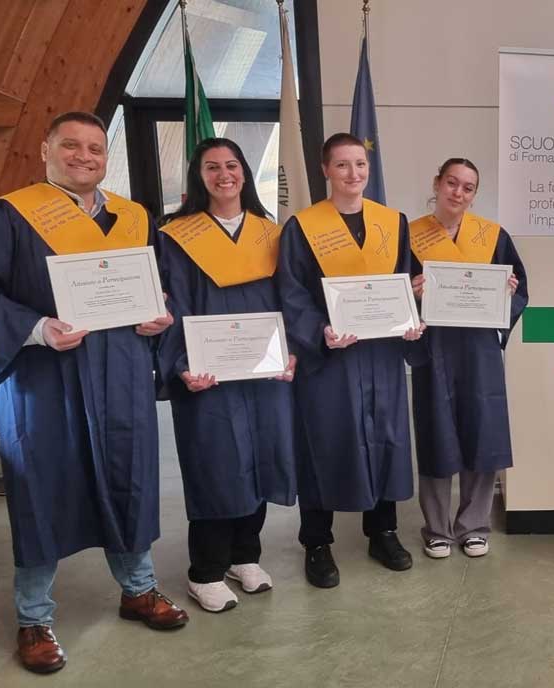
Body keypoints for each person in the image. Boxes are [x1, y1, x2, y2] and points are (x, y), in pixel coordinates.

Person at [0, 111, 188, 674]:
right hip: (44, 377)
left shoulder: (133, 218)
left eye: (95, 148)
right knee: (43, 488)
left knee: (129, 477)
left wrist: (160, 316)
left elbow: (156, 289)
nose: (84, 156)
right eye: (71, 146)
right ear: (45, 150)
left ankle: (138, 588)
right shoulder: (6, 215)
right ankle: (34, 616)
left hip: (122, 372)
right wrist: (38, 328)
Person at [157, 138, 297, 612]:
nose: (224, 175)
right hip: (208, 373)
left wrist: (290, 353)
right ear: (198, 176)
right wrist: (181, 365)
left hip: (262, 370)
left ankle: (244, 556)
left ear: (244, 173)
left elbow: (291, 300)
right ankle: (205, 571)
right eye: (212, 167)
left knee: (262, 455)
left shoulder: (270, 233)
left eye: (232, 165)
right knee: (215, 463)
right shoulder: (177, 237)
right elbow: (171, 305)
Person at [277, 133, 423, 587]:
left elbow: (405, 279)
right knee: (323, 441)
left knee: (386, 437)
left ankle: (383, 532)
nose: (352, 173)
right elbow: (291, 292)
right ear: (326, 170)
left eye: (359, 164)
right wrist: (320, 331)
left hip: (380, 353)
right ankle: (317, 542)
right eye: (341, 165)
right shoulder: (302, 227)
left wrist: (411, 315)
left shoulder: (393, 223)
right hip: (331, 357)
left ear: (368, 168)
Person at [407, 158, 527, 559]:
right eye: (451, 183)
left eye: (468, 187)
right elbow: (395, 292)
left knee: (482, 430)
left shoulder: (492, 236)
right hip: (434, 348)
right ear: (437, 184)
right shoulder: (409, 236)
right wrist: (411, 292)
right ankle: (436, 528)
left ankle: (474, 525)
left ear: (475, 194)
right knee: (436, 433)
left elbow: (519, 290)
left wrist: (507, 294)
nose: (458, 193)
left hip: (479, 350)